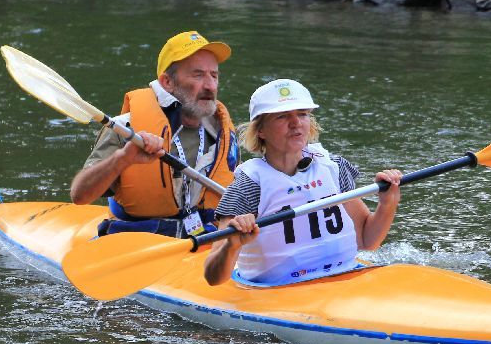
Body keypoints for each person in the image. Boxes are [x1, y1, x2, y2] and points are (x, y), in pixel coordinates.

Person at [204, 79, 402, 286]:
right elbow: (213, 278)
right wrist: (232, 246)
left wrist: (387, 204)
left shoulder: (333, 167)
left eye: (302, 114)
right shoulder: (248, 186)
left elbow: (367, 240)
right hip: (278, 290)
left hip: (344, 277)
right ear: (260, 130)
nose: (296, 123)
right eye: (282, 116)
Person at [70, 31, 239, 238]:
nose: (210, 85)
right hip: (137, 239)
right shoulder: (126, 128)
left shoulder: (222, 134)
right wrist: (123, 158)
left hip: (202, 237)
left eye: (214, 75)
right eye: (198, 75)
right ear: (167, 82)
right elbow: (80, 195)